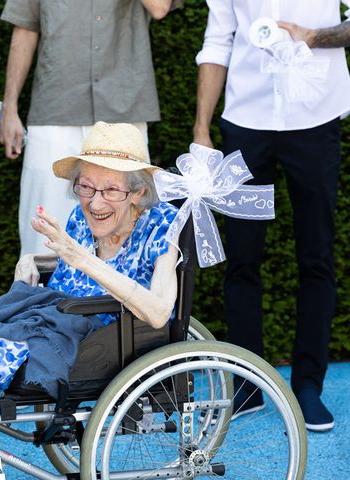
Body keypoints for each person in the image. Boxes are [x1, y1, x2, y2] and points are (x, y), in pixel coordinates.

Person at [0, 122, 179, 479]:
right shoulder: (81, 219)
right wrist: (35, 261)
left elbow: (160, 311)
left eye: (110, 190)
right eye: (85, 186)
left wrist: (82, 258)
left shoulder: (162, 224)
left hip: (99, 338)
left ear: (137, 192)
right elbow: (67, 263)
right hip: (52, 319)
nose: (95, 202)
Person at [192, 0, 350, 432]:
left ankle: (309, 387)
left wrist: (314, 37)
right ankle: (248, 385)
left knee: (316, 257)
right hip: (245, 120)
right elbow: (217, 41)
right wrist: (201, 128)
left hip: (315, 120)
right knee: (242, 258)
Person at [0, 0, 180, 256]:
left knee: (128, 236)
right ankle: (38, 296)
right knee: (43, 234)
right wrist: (9, 108)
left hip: (123, 113)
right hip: (55, 107)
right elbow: (25, 29)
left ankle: (122, 297)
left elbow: (159, 7)